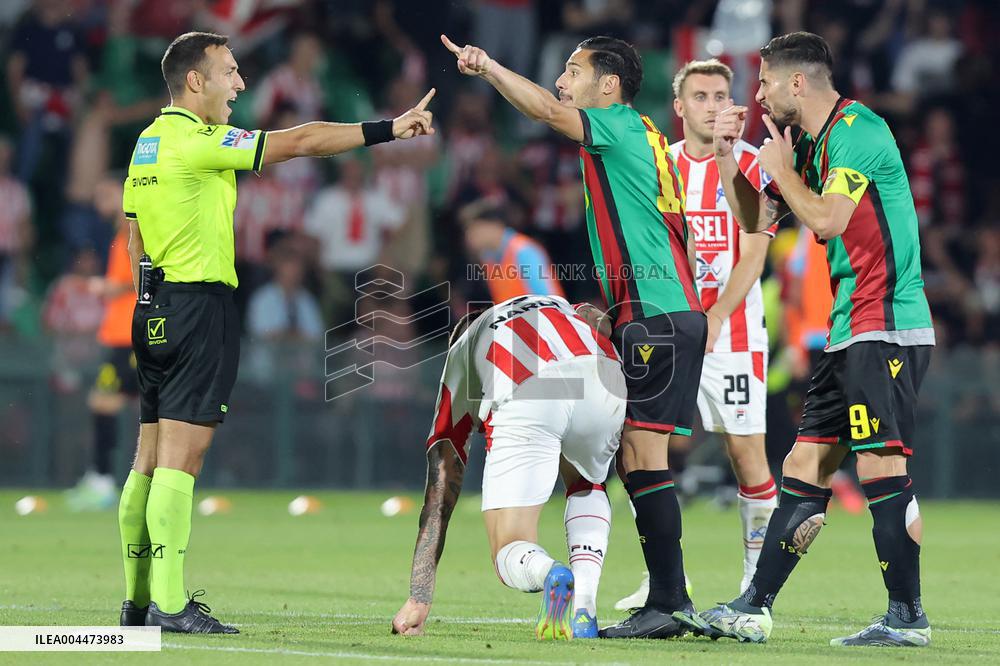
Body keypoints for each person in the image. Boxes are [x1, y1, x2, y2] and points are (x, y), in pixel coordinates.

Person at [119, 31, 435, 634]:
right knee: (181, 461)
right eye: (230, 72)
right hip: (196, 304)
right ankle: (167, 604)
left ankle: (136, 603)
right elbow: (301, 141)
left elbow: (133, 232)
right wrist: (387, 130)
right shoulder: (198, 139)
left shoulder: (147, 143)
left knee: (148, 458)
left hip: (153, 303)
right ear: (196, 81)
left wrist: (153, 295)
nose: (239, 84)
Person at [440, 33, 705, 638]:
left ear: (607, 86)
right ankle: (660, 596)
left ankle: (669, 600)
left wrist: (489, 67)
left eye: (572, 70)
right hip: (663, 312)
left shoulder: (613, 123)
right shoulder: (650, 139)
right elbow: (673, 235)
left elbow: (544, 111)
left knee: (640, 458)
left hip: (658, 317)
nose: (562, 81)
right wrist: (620, 310)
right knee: (632, 458)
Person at [676, 32, 936, 648]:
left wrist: (782, 170)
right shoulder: (812, 147)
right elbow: (754, 220)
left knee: (879, 464)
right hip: (851, 327)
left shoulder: (858, 131)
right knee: (802, 463)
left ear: (797, 83)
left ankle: (907, 617)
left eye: (764, 82)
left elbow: (825, 219)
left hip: (889, 323)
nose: (757, 93)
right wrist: (722, 157)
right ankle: (753, 606)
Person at [615, 59, 778, 611]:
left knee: (746, 455)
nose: (713, 106)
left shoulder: (752, 162)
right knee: (644, 451)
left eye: (721, 96)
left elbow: (755, 252)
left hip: (733, 334)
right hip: (673, 329)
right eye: (701, 96)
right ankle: (664, 579)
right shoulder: (663, 166)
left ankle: (756, 587)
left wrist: (713, 317)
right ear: (679, 107)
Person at [391, 295, 624, 639]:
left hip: (531, 386)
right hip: (606, 374)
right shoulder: (553, 302)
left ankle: (549, 573)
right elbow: (600, 319)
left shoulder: (462, 352)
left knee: (508, 546)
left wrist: (419, 596)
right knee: (587, 481)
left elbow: (442, 479)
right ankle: (585, 609)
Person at [66, 178, 139, 511]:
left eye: (107, 194)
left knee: (105, 403)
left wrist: (106, 287)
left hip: (129, 335)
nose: (100, 201)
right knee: (129, 406)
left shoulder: (136, 233)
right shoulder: (122, 235)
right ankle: (107, 480)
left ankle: (103, 482)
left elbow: (140, 278)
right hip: (120, 334)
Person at [460, 200, 565, 302]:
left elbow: (549, 299)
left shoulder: (524, 251)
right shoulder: (487, 257)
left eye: (475, 229)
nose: (469, 237)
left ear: (494, 225)